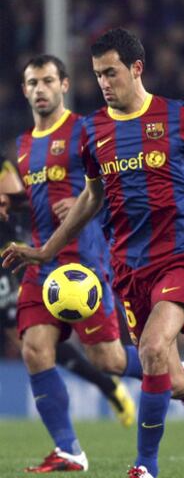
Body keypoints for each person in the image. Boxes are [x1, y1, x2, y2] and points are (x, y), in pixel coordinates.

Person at [2, 29, 184, 478]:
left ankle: (144, 469)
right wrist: (44, 251)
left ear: (136, 68)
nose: (104, 83)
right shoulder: (93, 131)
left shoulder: (179, 117)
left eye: (111, 72)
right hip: (129, 268)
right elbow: (91, 198)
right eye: (97, 76)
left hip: (179, 256)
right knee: (169, 379)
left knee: (152, 348)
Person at [0, 54, 147, 473]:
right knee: (33, 349)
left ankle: (169, 369)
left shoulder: (87, 130)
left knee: (110, 361)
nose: (40, 89)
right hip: (39, 261)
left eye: (48, 80)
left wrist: (89, 206)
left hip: (83, 262)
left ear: (65, 85)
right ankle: (69, 450)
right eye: (32, 82)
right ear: (25, 89)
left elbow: (122, 185)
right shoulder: (23, 145)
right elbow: (30, 208)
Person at [0, 150, 137, 428]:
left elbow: (16, 200)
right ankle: (70, 445)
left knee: (28, 337)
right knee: (29, 342)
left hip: (10, 246)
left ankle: (110, 385)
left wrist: (80, 203)